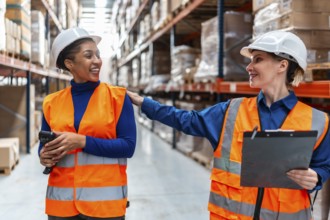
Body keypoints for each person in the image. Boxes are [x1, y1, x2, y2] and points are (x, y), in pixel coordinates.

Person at [127, 30, 330, 219]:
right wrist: (145, 103)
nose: (249, 67)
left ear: (282, 65)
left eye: (257, 60)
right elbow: (186, 120)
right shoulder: (231, 111)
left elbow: (324, 166)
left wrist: (317, 177)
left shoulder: (318, 121)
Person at [38, 27, 136, 220]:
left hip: (104, 206)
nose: (97, 61)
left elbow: (128, 147)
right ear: (69, 63)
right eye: (88, 55)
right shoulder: (51, 102)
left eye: (98, 55)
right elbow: (44, 145)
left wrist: (82, 141)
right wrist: (43, 156)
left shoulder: (117, 97)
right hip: (62, 205)